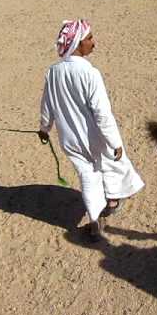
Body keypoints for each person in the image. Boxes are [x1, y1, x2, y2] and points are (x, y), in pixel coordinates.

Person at [38, 19, 144, 241]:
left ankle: (95, 218)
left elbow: (46, 106)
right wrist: (115, 142)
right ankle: (113, 200)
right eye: (89, 38)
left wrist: (44, 128)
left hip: (69, 140)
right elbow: (102, 114)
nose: (93, 43)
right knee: (112, 163)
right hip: (95, 136)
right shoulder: (90, 73)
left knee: (87, 175)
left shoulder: (52, 72)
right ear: (77, 43)